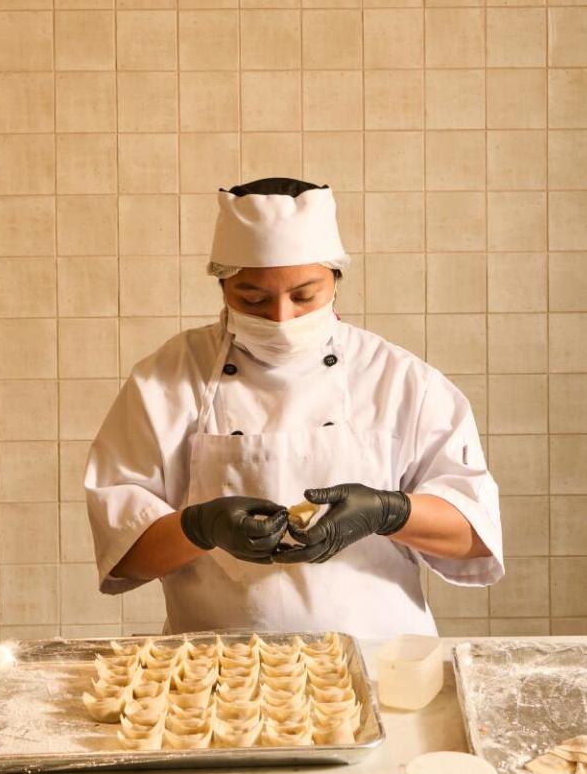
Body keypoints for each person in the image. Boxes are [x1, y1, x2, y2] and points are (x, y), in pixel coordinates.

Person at [84, 177, 503, 637]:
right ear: (223, 287)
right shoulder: (166, 382)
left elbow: (471, 535)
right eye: (254, 299)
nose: (282, 319)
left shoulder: (401, 381)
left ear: (336, 282)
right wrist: (198, 527)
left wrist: (390, 512)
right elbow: (126, 554)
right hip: (219, 674)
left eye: (305, 295)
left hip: (382, 662)